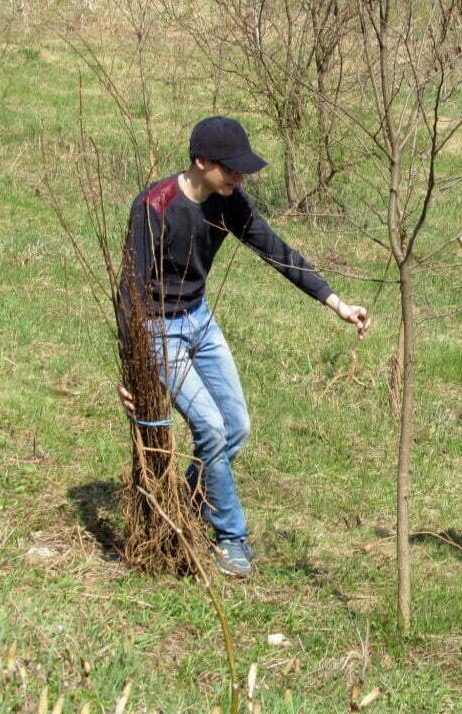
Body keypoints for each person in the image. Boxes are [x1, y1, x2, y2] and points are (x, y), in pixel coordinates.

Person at [118, 116, 368, 578]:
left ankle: (184, 502)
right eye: (230, 169)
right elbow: (128, 292)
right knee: (211, 430)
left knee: (235, 427)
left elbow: (276, 250)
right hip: (157, 329)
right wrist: (131, 371)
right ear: (200, 162)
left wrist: (336, 303)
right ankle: (232, 538)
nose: (239, 177)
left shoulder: (229, 202)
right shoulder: (154, 206)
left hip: (199, 319)